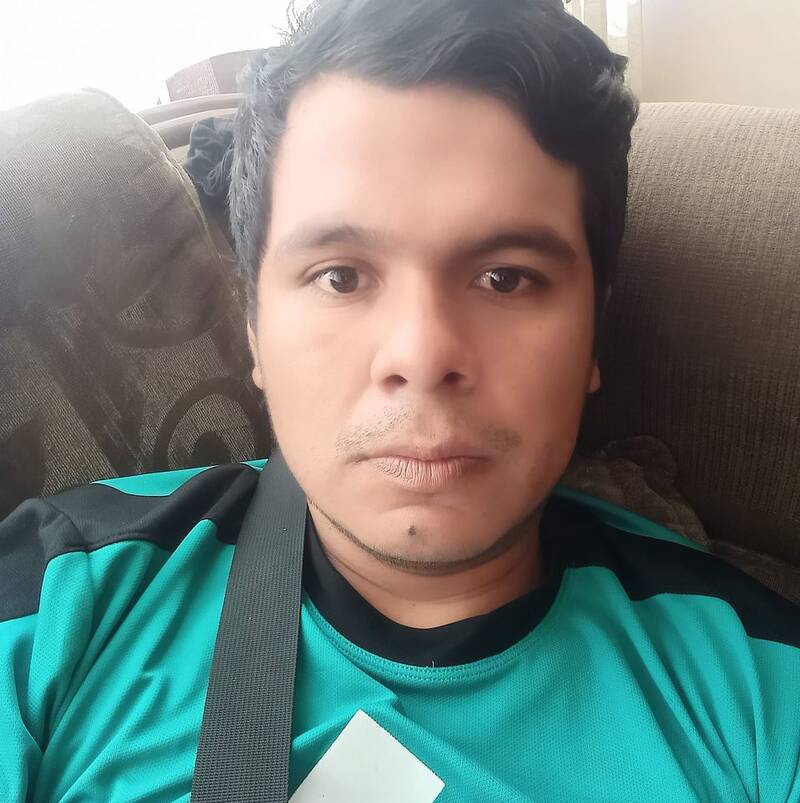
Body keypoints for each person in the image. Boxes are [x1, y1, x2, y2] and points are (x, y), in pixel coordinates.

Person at [2, 0, 799, 800]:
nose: (421, 355)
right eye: (340, 276)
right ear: (254, 331)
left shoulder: (762, 687)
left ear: (595, 330)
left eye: (505, 278)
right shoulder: (61, 594)